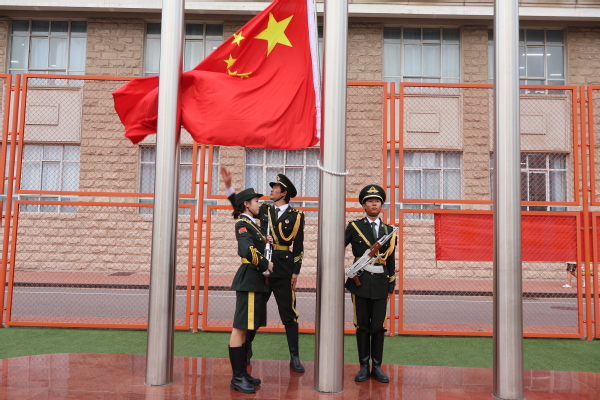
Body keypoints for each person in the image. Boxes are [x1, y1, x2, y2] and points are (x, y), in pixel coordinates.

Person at [221, 167, 306, 373]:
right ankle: (246, 350)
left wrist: (296, 271)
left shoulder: (297, 215)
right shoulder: (265, 209)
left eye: (275, 187)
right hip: (262, 269)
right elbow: (239, 204)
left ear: (284, 192)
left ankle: (294, 357)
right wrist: (229, 186)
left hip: (284, 269)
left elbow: (299, 246)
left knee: (289, 313)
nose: (271, 190)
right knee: (254, 312)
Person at [345, 184, 397, 383]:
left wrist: (391, 284)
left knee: (377, 326)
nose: (374, 204)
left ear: (381, 205)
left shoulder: (389, 231)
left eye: (377, 201)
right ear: (363, 205)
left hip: (380, 283)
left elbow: (390, 260)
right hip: (360, 282)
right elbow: (338, 246)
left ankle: (377, 366)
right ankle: (363, 366)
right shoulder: (354, 227)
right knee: (362, 326)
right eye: (370, 201)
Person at [228, 188, 273, 394]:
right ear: (246, 204)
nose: (259, 205)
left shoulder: (252, 224)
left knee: (246, 329)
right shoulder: (243, 224)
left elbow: (255, 245)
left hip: (255, 280)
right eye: (256, 201)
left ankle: (243, 373)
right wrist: (266, 264)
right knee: (240, 328)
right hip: (250, 279)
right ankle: (237, 378)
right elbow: (246, 250)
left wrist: (265, 241)